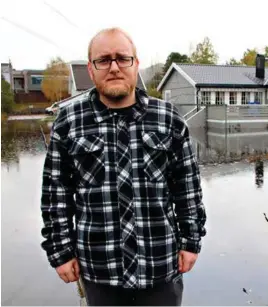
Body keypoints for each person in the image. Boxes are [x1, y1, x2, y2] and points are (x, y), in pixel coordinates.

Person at [40, 27, 207, 306]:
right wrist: (60, 251)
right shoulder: (69, 122)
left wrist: (191, 242)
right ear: (91, 70)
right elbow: (56, 194)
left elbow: (187, 188)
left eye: (123, 58)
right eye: (103, 60)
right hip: (99, 269)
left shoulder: (168, 119)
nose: (114, 67)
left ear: (136, 64)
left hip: (160, 265)